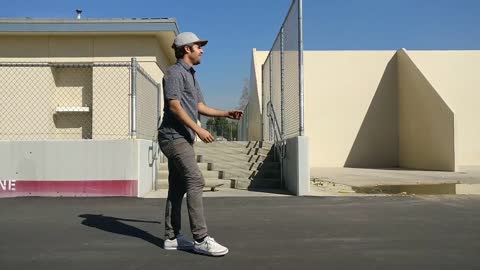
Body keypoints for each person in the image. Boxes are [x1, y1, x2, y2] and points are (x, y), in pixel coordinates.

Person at [158, 32, 243, 256]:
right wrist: (199, 129)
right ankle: (200, 238)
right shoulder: (174, 73)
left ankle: (172, 237)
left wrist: (226, 113)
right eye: (198, 46)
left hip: (182, 137)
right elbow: (175, 106)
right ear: (187, 49)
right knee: (196, 180)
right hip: (172, 137)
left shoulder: (192, 76)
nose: (202, 50)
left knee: (178, 187)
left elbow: (199, 106)